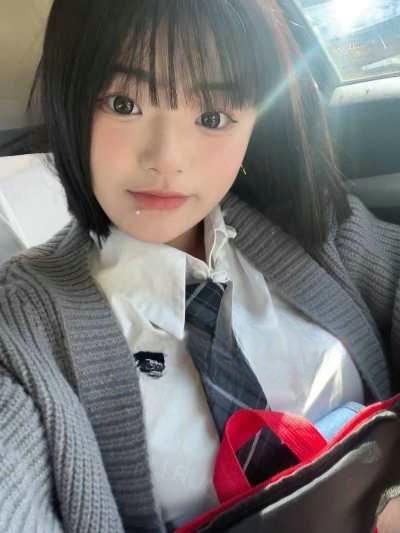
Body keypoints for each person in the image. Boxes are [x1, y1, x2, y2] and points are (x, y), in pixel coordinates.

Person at [0, 0, 399, 531]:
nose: (167, 159)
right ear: (69, 101)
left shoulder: (315, 229)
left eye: (212, 117)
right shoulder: (22, 327)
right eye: (123, 103)